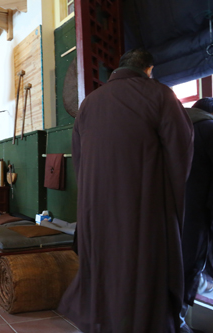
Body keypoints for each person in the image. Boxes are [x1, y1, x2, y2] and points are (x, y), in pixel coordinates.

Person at [58, 49, 194, 332]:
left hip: (96, 206)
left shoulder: (89, 103)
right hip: (141, 205)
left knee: (105, 265)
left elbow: (79, 162)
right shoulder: (159, 95)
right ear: (149, 69)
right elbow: (180, 154)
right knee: (140, 266)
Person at [181, 98, 213, 332]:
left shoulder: (171, 129)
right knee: (189, 271)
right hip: (196, 220)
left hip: (162, 219)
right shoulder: (208, 130)